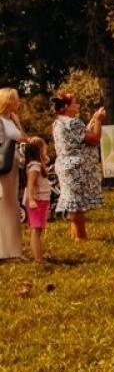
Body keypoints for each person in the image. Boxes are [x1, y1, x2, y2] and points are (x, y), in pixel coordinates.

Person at [49, 93, 106, 240]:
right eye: (75, 103)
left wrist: (92, 120)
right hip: (76, 167)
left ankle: (75, 235)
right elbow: (94, 139)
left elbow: (80, 135)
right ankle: (81, 237)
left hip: (64, 164)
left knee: (72, 201)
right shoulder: (73, 122)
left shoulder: (59, 122)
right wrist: (99, 121)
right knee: (77, 204)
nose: (78, 106)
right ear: (66, 107)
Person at [0, 88, 27, 261]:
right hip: (3, 169)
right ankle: (3, 251)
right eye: (16, 99)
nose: (18, 102)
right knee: (3, 207)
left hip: (14, 168)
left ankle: (15, 251)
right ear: (8, 101)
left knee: (12, 207)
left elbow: (23, 137)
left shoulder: (13, 119)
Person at [23, 138, 51, 262]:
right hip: (37, 200)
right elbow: (30, 183)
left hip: (42, 200)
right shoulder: (35, 166)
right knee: (36, 229)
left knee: (38, 229)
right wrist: (32, 199)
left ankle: (39, 255)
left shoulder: (38, 165)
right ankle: (38, 258)